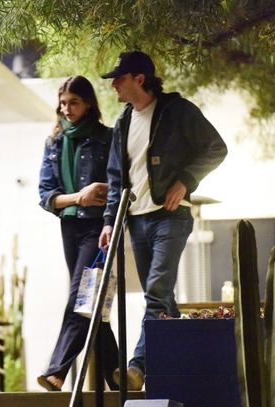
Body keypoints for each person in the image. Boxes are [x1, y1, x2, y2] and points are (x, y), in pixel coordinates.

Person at [99, 51, 228, 390]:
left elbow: (216, 148)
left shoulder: (177, 111)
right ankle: (178, 366)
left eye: (119, 78)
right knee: (164, 299)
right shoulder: (122, 123)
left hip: (170, 217)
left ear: (139, 79)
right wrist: (109, 222)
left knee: (156, 291)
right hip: (136, 221)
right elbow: (116, 178)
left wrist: (185, 180)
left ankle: (138, 367)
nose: (113, 85)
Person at [38, 75, 119, 391]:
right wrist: (79, 196)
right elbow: (46, 195)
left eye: (73, 102)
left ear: (88, 104)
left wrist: (102, 193)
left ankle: (57, 371)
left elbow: (122, 184)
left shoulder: (108, 138)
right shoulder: (54, 143)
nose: (66, 109)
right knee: (93, 305)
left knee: (82, 296)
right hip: (69, 227)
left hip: (99, 228)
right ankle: (116, 378)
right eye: (62, 103)